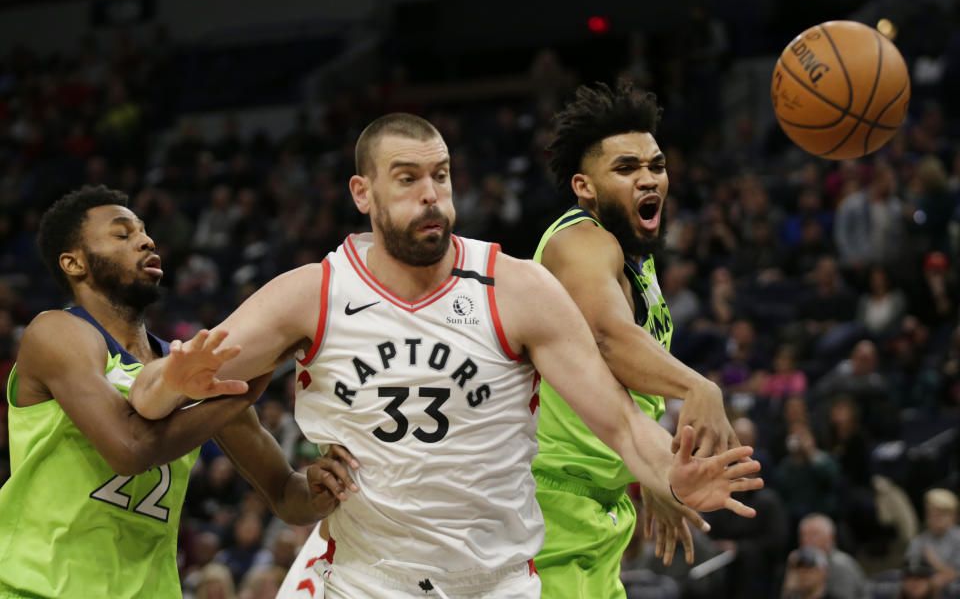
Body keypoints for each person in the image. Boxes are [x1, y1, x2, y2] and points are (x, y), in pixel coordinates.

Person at [130, 113, 763, 599]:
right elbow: (152, 393)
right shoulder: (311, 294)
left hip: (496, 580)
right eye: (407, 178)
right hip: (364, 578)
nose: (430, 193)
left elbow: (621, 423)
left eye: (441, 175)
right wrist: (170, 385)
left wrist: (670, 475)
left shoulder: (517, 287)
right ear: (363, 192)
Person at [0, 186, 332, 599]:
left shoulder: (188, 365)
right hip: (39, 588)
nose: (146, 240)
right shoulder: (56, 333)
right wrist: (238, 397)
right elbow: (129, 449)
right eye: (123, 235)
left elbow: (284, 494)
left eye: (144, 231)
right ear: (74, 263)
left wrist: (319, 491)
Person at [529, 80, 741, 597]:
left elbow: (611, 383)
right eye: (626, 169)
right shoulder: (578, 242)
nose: (648, 178)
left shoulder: (634, 257)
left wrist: (651, 472)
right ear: (585, 186)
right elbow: (606, 336)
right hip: (545, 509)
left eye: (656, 166)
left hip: (599, 505)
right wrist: (699, 388)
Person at [798, 513, 867, 599]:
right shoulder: (798, 563)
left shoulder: (840, 565)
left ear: (831, 537)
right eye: (803, 535)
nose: (807, 540)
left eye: (814, 534)